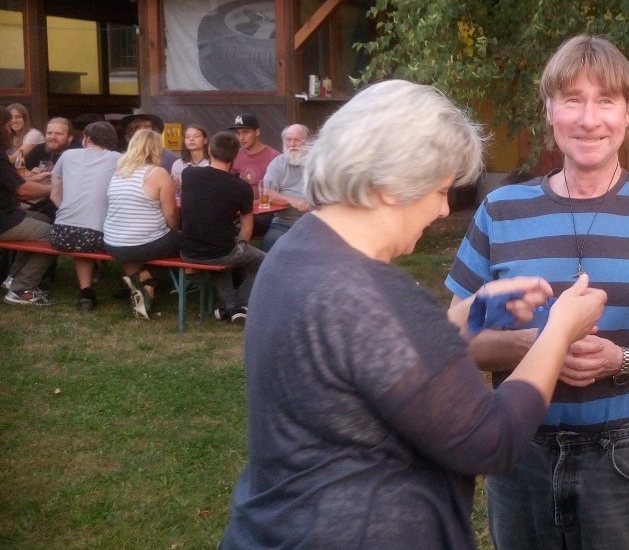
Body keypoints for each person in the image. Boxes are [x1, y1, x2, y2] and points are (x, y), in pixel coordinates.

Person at [220, 79, 608, 550]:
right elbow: (493, 439)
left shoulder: (297, 253)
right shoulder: (371, 293)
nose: (444, 210)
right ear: (389, 183)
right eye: (441, 190)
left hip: (278, 527)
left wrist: (476, 312)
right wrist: (559, 331)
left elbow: (371, 355)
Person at [446, 35, 629, 550]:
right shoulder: (500, 211)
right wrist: (541, 343)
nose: (589, 119)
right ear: (549, 111)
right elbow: (457, 338)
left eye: (606, 101)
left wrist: (622, 360)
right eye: (572, 99)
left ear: (627, 115)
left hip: (628, 458)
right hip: (520, 450)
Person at [180, 131, 264, 324]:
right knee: (264, 261)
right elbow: (247, 226)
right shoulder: (241, 187)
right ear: (236, 155)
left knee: (223, 253)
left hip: (188, 250)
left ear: (209, 150)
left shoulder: (189, 174)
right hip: (220, 250)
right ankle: (242, 303)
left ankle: (232, 308)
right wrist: (241, 247)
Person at [103, 129, 181, 320]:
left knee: (136, 250)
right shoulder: (158, 173)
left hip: (113, 243)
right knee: (187, 244)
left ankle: (144, 292)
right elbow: (171, 213)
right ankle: (143, 277)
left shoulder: (119, 172)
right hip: (142, 244)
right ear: (156, 148)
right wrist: (176, 231)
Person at [50, 121, 121, 313]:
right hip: (97, 235)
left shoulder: (67, 155)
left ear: (87, 138)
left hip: (62, 234)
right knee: (127, 234)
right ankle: (132, 282)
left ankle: (86, 292)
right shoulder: (118, 159)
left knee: (82, 237)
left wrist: (72, 210)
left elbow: (54, 196)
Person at [0, 148, 54, 306]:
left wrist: (36, 180)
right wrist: (55, 188)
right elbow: (22, 192)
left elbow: (12, 183)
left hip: (7, 214)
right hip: (4, 221)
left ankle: (13, 278)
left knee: (45, 219)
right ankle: (22, 290)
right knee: (56, 236)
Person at [260, 123, 310, 251]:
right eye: (288, 140)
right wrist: (293, 201)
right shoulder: (278, 163)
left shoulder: (318, 163)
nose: (292, 144)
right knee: (269, 250)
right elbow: (266, 193)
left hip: (314, 223)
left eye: (297, 140)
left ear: (307, 142)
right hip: (283, 223)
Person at [229, 112, 280, 236]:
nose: (241, 138)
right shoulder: (235, 155)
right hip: (239, 209)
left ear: (257, 132)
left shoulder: (274, 157)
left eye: (245, 132)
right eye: (238, 133)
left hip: (264, 213)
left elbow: (278, 192)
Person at [170, 123, 210, 196]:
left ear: (205, 140)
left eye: (196, 136)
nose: (191, 139)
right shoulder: (178, 164)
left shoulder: (213, 162)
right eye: (187, 137)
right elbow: (175, 191)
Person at [6, 102, 43, 167]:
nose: (14, 120)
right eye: (10, 118)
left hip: (34, 174)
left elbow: (15, 158)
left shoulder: (34, 134)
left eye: (18, 117)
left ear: (25, 119)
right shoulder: (9, 136)